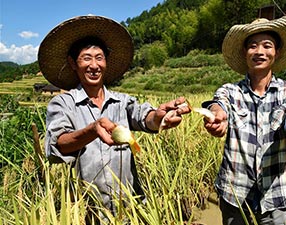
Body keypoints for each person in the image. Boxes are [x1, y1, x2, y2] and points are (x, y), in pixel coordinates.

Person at [39, 15, 191, 222]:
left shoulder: (122, 101)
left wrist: (160, 116)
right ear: (73, 64)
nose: (94, 65)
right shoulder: (63, 103)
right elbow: (59, 144)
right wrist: (92, 130)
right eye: (86, 58)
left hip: (130, 209)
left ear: (106, 62)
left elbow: (144, 118)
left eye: (99, 57)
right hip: (88, 212)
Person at [201, 16, 286, 225]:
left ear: (277, 52)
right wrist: (216, 115)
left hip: (276, 192)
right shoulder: (231, 90)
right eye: (253, 46)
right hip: (234, 191)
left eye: (267, 45)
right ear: (245, 53)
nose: (260, 52)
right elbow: (218, 104)